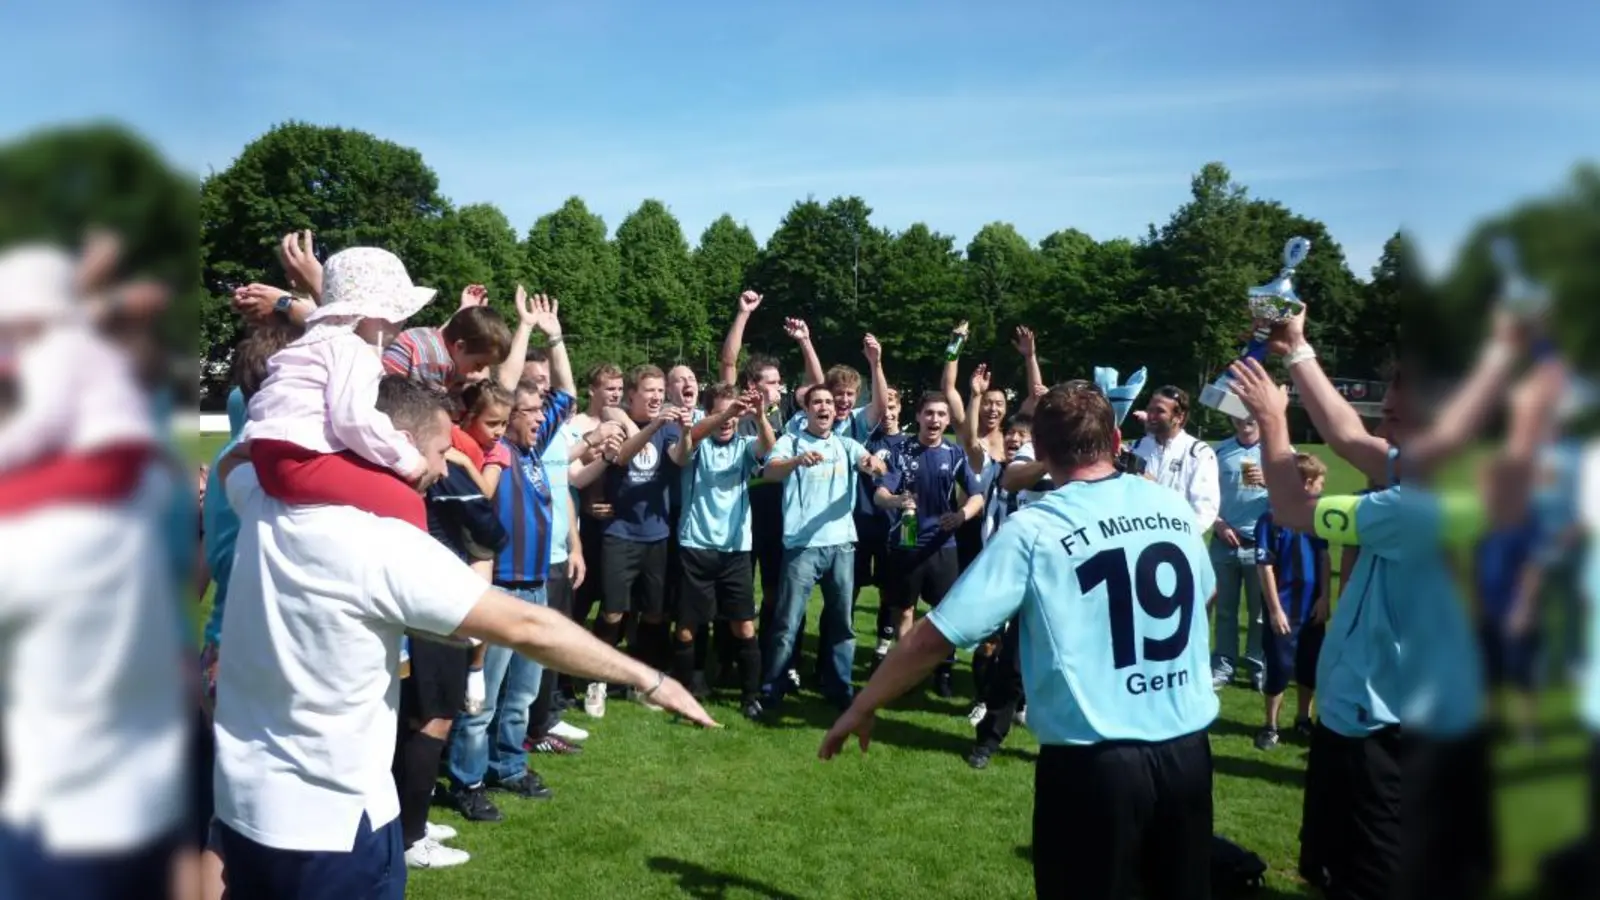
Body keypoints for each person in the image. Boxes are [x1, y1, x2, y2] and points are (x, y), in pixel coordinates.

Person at [211, 375, 717, 900]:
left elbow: (235, 460)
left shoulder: (267, 503)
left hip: (242, 807)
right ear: (396, 446)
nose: (440, 468)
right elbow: (526, 626)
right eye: (437, 452)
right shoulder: (379, 546)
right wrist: (650, 678)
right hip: (339, 829)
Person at [822, 381, 1219, 900]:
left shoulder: (1037, 528)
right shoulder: (1173, 510)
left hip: (1094, 759)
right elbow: (1204, 599)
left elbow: (933, 638)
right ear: (1118, 439)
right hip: (1189, 750)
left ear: (1043, 454)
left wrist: (864, 703)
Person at [237, 247, 441, 529]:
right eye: (399, 314)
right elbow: (354, 419)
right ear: (375, 316)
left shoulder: (309, 345)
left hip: (265, 456)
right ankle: (412, 568)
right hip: (302, 460)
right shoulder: (352, 350)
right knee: (404, 501)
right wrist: (407, 460)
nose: (404, 321)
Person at [761, 384, 887, 711]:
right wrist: (797, 461)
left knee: (841, 623)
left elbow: (870, 463)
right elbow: (770, 472)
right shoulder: (790, 442)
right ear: (806, 409)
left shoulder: (846, 444)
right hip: (802, 547)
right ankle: (772, 687)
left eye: (829, 402)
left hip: (841, 545)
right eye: (817, 401)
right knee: (788, 622)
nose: (825, 407)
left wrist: (874, 463)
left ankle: (839, 687)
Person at [670, 383, 776, 719]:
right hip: (695, 546)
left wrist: (758, 415)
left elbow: (768, 447)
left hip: (734, 551)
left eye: (735, 412)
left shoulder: (744, 446)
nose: (729, 420)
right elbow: (684, 450)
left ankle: (750, 697)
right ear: (710, 412)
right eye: (720, 412)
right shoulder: (696, 441)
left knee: (743, 626)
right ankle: (684, 696)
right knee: (687, 627)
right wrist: (724, 414)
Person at [874, 391, 985, 698]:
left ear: (948, 419)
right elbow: (879, 495)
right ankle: (906, 672)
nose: (934, 420)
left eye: (940, 414)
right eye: (929, 413)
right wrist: (897, 499)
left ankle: (944, 671)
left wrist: (961, 515)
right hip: (907, 543)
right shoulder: (901, 451)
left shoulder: (954, 454)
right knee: (906, 608)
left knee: (945, 612)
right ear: (919, 417)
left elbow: (977, 495)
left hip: (943, 546)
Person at [1252, 452, 1330, 750]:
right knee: (1279, 665)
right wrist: (1274, 609)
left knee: (1310, 664)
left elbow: (1324, 557)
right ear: (1307, 483)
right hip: (1284, 608)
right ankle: (1270, 726)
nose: (1323, 488)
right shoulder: (1271, 519)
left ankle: (1303, 719)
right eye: (1321, 482)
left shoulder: (1318, 517)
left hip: (1313, 606)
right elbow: (1265, 566)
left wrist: (1325, 596)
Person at [1210, 414, 1274, 692]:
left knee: (1261, 613)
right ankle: (1223, 666)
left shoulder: (1278, 450)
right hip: (1224, 540)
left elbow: (1298, 493)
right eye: (1237, 414)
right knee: (1225, 610)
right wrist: (1219, 523)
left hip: (1260, 543)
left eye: (1249, 414)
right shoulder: (1218, 451)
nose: (1244, 420)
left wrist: (1270, 483)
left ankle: (1257, 666)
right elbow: (1204, 495)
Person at [1129, 385, 1220, 530]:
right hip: (1139, 537)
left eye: (1160, 411)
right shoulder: (1135, 448)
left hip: (1179, 541)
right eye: (1150, 410)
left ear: (1179, 417)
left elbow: (1205, 509)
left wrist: (1177, 537)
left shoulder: (1198, 452)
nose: (1151, 416)